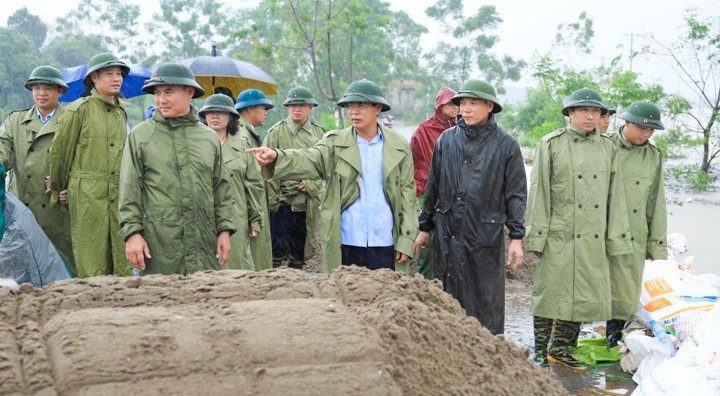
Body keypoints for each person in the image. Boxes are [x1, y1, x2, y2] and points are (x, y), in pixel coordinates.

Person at [247, 80, 417, 274]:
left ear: (378, 108)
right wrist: (277, 156)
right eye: (350, 106)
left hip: (386, 240)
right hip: (347, 241)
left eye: (361, 105)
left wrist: (407, 239)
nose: (354, 111)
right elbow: (309, 158)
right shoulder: (334, 143)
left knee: (387, 298)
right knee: (345, 297)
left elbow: (408, 196)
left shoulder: (398, 146)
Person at [525, 87, 632, 369]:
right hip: (559, 233)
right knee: (549, 294)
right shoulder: (551, 143)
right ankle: (539, 349)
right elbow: (540, 194)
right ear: (570, 113)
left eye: (595, 111)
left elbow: (615, 197)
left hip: (593, 235)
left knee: (581, 296)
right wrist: (537, 238)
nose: (589, 116)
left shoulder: (608, 147)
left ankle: (560, 349)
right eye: (583, 110)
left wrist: (616, 240)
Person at [413, 80, 526, 335]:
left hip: (484, 233)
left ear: (490, 106)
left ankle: (486, 348)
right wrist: (425, 227)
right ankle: (449, 346)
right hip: (447, 232)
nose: (466, 108)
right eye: (462, 103)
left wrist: (517, 236)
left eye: (473, 103)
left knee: (484, 296)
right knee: (447, 292)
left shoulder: (506, 144)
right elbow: (432, 188)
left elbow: (516, 194)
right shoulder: (447, 140)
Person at [118, 63, 236, 275]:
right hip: (161, 245)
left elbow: (221, 189)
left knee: (204, 299)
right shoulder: (140, 136)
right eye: (157, 93)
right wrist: (132, 234)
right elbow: (129, 189)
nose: (161, 100)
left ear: (189, 92)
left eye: (169, 92)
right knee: (162, 301)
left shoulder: (208, 137)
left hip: (203, 243)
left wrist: (224, 230)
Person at [49, 53, 132, 277]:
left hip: (118, 192)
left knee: (122, 260)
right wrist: (60, 189)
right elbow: (60, 154)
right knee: (92, 260)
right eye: (109, 74)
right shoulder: (79, 110)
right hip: (86, 193)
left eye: (119, 74)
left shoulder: (121, 113)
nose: (116, 79)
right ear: (94, 78)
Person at [0, 66, 76, 275]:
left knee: (59, 267)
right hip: (23, 208)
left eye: (48, 88)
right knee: (21, 268)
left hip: (57, 212)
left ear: (60, 92)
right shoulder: (16, 120)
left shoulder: (71, 120)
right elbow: (2, 148)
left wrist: (68, 180)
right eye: (37, 88)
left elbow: (83, 158)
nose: (41, 93)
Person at [606, 101, 668, 347]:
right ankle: (566, 344)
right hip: (601, 227)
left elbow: (656, 202)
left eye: (651, 130)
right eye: (642, 127)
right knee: (588, 282)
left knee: (625, 289)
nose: (646, 134)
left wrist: (656, 244)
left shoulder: (653, 157)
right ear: (627, 122)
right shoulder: (604, 146)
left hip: (634, 231)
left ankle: (613, 340)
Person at [263, 87, 326, 269]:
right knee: (275, 252)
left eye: (301, 105)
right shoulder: (276, 132)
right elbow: (265, 167)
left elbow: (325, 166)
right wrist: (274, 201)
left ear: (310, 107)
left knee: (300, 252)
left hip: (304, 203)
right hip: (281, 204)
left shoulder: (319, 134)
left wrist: (312, 185)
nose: (296, 109)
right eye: (292, 105)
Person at [199, 93, 263, 271]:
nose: (215, 116)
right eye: (210, 112)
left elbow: (254, 185)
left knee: (236, 266)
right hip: (203, 216)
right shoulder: (196, 147)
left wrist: (255, 220)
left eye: (221, 112)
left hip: (236, 216)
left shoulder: (243, 146)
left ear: (231, 117)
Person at [409, 86, 458, 280]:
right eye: (450, 103)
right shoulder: (425, 129)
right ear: (440, 105)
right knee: (427, 235)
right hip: (431, 192)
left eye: (457, 103)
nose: (455, 107)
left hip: (456, 193)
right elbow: (416, 160)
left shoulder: (462, 127)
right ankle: (424, 280)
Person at [235, 88, 274, 270]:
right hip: (249, 210)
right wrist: (255, 217)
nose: (265, 113)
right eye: (263, 108)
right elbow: (250, 181)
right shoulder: (243, 137)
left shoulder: (246, 133)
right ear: (249, 109)